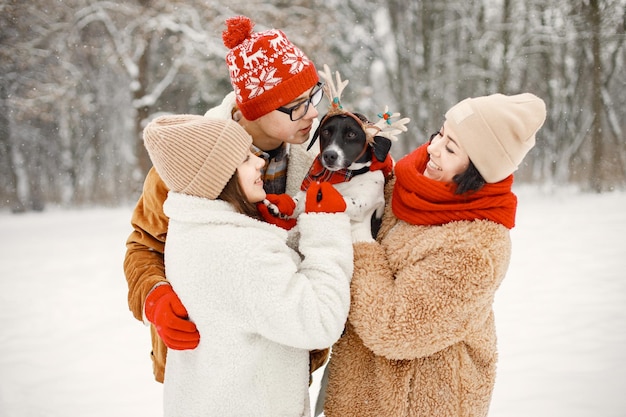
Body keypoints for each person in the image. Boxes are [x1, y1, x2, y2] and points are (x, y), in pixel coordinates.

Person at [123, 15, 328, 383]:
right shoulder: (189, 160)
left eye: (313, 96)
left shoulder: (317, 167)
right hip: (204, 366)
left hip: (278, 367)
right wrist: (153, 297)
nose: (312, 113)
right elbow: (144, 245)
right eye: (296, 105)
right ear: (257, 108)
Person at [320, 93, 547, 417]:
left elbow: (392, 327)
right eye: (441, 134)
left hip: (417, 404)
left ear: (478, 173)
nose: (433, 149)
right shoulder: (408, 188)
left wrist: (359, 238)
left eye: (451, 148)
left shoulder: (474, 249)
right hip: (361, 395)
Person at [142, 115, 353, 417]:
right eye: (244, 159)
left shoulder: (188, 226)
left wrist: (279, 229)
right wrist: (326, 228)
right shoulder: (244, 252)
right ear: (218, 177)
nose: (259, 163)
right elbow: (319, 322)